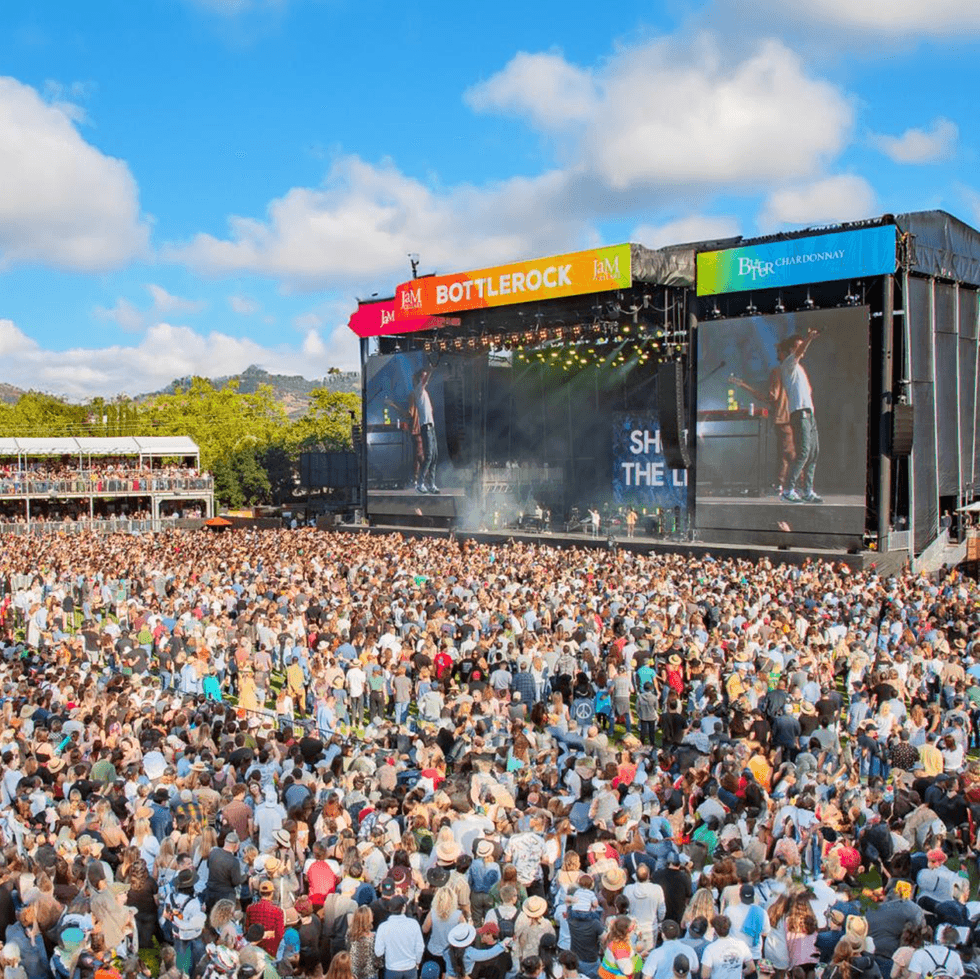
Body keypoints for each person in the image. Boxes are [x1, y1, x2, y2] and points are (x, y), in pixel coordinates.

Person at [778, 328, 821, 504]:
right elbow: (800, 352)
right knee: (803, 452)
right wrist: (809, 339)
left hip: (809, 413)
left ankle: (807, 491)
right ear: (791, 350)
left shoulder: (800, 369)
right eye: (798, 346)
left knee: (813, 453)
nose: (802, 349)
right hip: (800, 413)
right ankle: (788, 490)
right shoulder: (788, 364)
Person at [374, 896, 425, 979]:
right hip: (410, 968)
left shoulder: (383, 927)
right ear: (403, 908)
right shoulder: (413, 924)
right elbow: (420, 947)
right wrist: (417, 961)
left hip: (392, 969)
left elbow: (378, 952)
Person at [413, 366, 440, 494]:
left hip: (431, 427)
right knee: (428, 456)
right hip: (425, 427)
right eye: (422, 376)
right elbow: (424, 381)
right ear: (419, 379)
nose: (425, 378)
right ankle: (420, 483)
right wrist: (430, 370)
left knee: (434, 456)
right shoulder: (418, 390)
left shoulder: (425, 393)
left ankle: (431, 485)